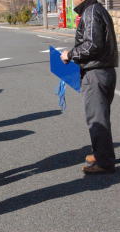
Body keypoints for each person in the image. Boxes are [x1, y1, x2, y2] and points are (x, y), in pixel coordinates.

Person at [60, 0, 118, 174]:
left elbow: (93, 45)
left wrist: (70, 54)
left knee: (97, 119)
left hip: (96, 73)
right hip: (102, 70)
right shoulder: (95, 9)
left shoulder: (91, 11)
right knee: (100, 117)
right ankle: (101, 153)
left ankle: (105, 162)